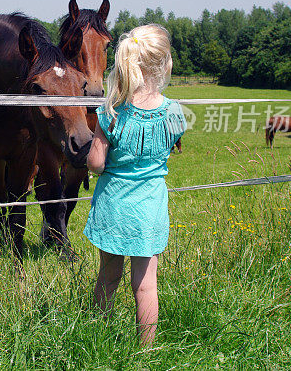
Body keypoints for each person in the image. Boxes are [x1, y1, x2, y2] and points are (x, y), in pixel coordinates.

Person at [84, 23, 186, 345]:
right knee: (145, 284)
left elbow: (96, 163)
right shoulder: (173, 112)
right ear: (164, 64)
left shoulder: (111, 112)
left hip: (114, 207)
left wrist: (94, 158)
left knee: (108, 277)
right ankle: (146, 350)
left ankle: (98, 336)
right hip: (149, 210)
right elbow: (172, 142)